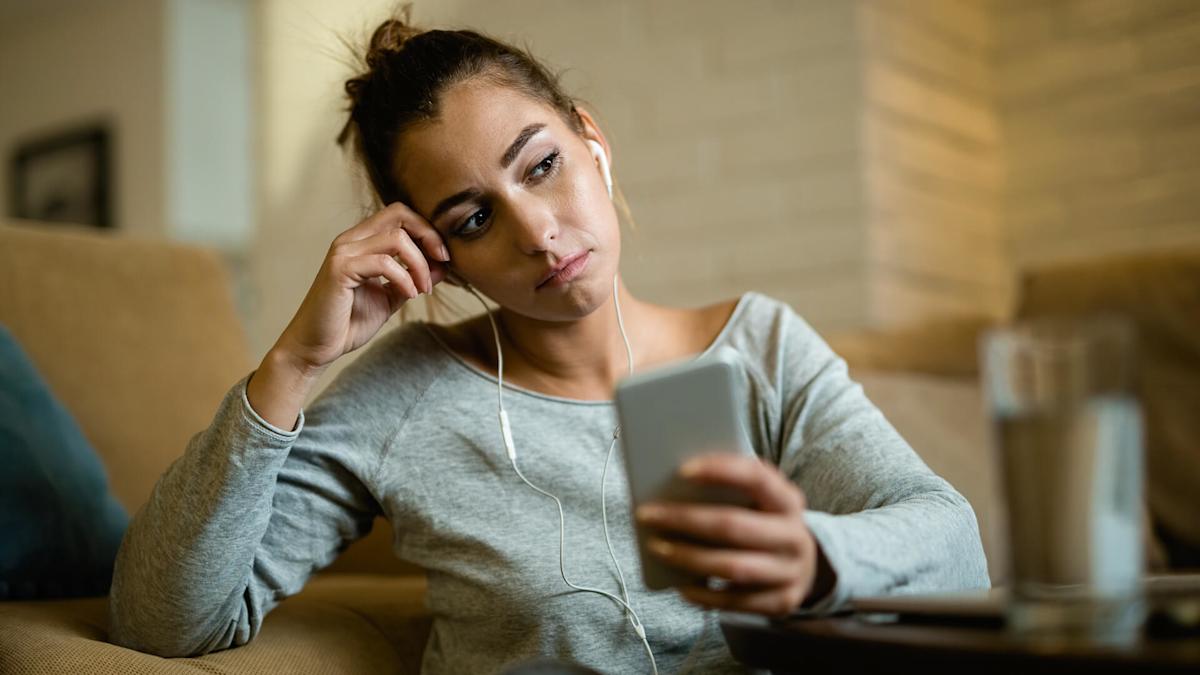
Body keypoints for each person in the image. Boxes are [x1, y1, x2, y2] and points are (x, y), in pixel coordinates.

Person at [107, 9, 990, 674]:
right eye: (476, 216)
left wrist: (815, 557)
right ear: (438, 259)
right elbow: (162, 620)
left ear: (592, 141)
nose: (537, 232)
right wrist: (293, 365)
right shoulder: (404, 394)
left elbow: (955, 547)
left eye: (541, 165)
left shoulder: (758, 346)